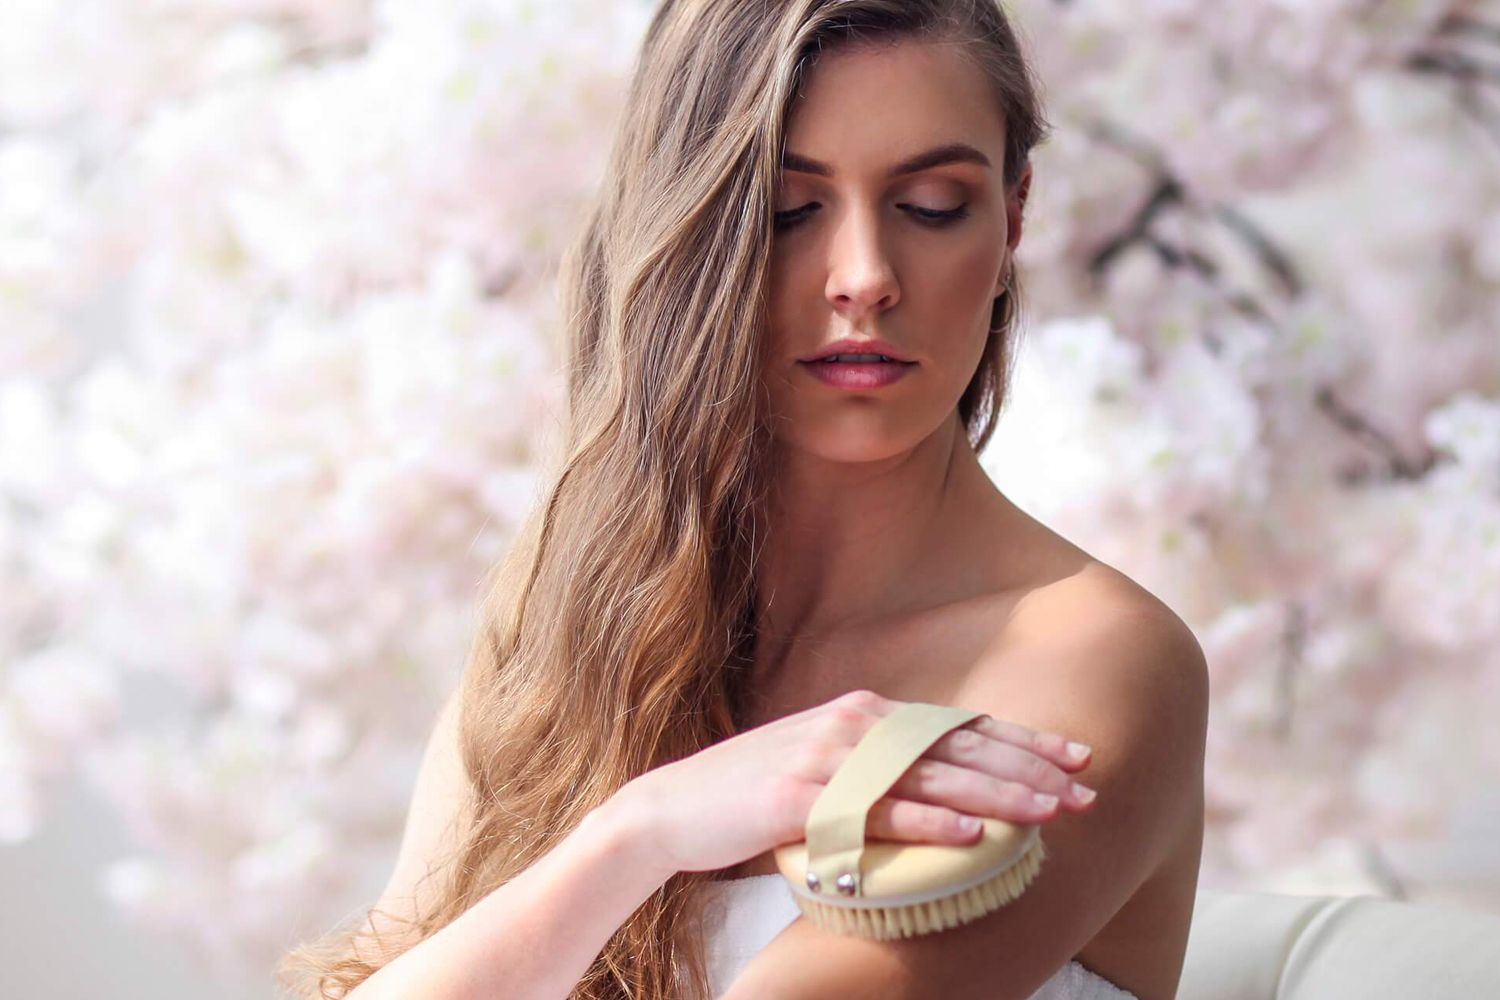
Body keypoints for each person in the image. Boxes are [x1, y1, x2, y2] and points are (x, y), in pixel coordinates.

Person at [276, 2, 1209, 999]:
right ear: (687, 226)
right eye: (786, 211)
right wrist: (642, 832)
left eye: (933, 204)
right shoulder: (567, 631)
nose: (865, 278)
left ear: (1014, 215)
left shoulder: (1094, 663)